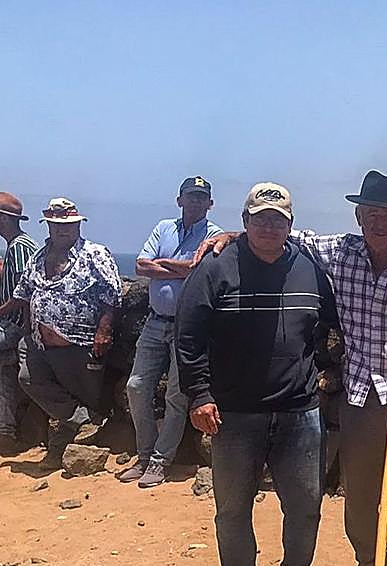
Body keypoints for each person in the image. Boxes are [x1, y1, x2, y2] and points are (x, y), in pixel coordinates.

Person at [197, 170, 387, 566]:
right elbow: (279, 234)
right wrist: (234, 235)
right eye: (371, 213)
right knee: (360, 496)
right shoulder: (339, 251)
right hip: (359, 397)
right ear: (358, 216)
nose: (379, 222)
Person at [176, 183, 338, 566]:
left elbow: (330, 323)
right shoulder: (215, 267)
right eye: (260, 218)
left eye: (278, 220)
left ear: (290, 225)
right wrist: (199, 395)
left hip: (299, 412)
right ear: (244, 221)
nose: (269, 227)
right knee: (232, 510)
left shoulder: (309, 266)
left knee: (305, 505)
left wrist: (325, 368)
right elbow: (188, 336)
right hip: (233, 413)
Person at [0, 198, 120, 469]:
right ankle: (81, 419)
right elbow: (23, 292)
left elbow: (112, 295)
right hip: (40, 343)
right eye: (56, 225)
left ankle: (69, 449)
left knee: (84, 393)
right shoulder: (39, 257)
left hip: (80, 342)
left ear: (78, 225)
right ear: (48, 226)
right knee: (28, 378)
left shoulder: (95, 254)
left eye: (68, 224)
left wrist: (104, 330)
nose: (62, 229)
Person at [119, 177, 223, 487]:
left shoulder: (214, 234)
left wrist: (164, 264)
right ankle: (144, 455)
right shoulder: (164, 227)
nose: (195, 202)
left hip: (189, 327)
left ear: (210, 204)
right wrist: (181, 268)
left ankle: (159, 461)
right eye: (191, 196)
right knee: (136, 386)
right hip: (154, 321)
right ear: (179, 200)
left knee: (177, 395)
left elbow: (199, 270)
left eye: (201, 197)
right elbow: (141, 266)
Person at [0, 193, 38, 455]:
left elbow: (25, 292)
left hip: (14, 326)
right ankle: (5, 430)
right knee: (4, 369)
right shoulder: (17, 246)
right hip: (13, 325)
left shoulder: (19, 247)